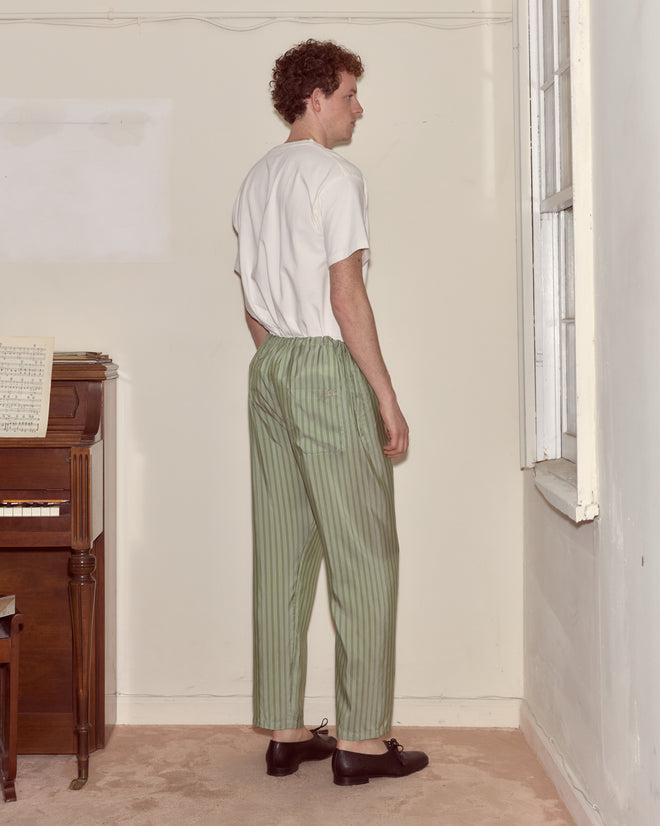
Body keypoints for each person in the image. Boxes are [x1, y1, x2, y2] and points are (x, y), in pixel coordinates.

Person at [232, 38, 428, 786]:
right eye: (349, 93)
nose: (358, 106)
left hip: (273, 364)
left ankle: (285, 730)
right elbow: (347, 296)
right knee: (365, 555)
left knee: (284, 550)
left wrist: (276, 358)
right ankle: (363, 743)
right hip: (321, 363)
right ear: (315, 97)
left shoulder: (256, 180)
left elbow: (251, 301)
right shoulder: (333, 177)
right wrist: (383, 393)